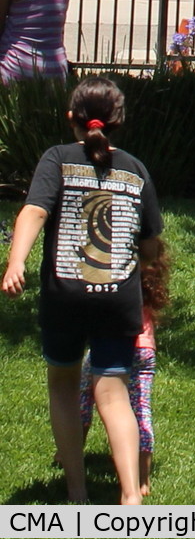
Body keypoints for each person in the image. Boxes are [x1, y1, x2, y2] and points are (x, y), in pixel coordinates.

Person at [3, 78, 165, 506]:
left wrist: (15, 261)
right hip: (119, 298)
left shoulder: (57, 158)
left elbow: (35, 210)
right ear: (119, 122)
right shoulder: (136, 170)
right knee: (112, 392)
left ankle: (76, 493)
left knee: (62, 384)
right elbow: (149, 247)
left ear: (70, 118)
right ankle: (130, 495)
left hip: (65, 296)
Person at [81, 241, 169, 497]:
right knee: (141, 410)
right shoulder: (151, 284)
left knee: (83, 396)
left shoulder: (120, 280)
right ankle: (142, 481)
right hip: (146, 350)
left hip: (118, 346)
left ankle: (68, 454)